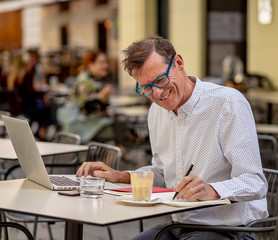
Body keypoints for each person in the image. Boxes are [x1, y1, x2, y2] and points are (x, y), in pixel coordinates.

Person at [76, 36, 268, 240]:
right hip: (177, 225)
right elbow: (162, 174)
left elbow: (255, 182)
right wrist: (122, 176)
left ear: (179, 63)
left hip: (230, 229)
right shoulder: (156, 112)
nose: (157, 94)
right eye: (146, 88)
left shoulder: (227, 103)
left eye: (160, 80)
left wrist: (212, 190)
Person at [57, 50, 115, 143]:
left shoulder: (93, 80)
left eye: (105, 62)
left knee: (120, 127)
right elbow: (86, 108)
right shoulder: (85, 81)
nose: (106, 66)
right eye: (101, 62)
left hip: (88, 123)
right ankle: (115, 154)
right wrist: (101, 97)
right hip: (80, 125)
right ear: (90, 65)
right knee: (120, 130)